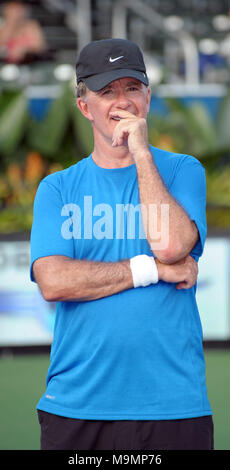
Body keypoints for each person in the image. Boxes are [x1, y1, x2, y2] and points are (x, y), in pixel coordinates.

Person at [30, 38, 213, 450]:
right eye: (106, 91)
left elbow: (170, 246)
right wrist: (153, 271)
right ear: (83, 106)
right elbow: (54, 281)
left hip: (174, 405)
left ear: (147, 97)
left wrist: (142, 155)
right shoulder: (57, 188)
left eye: (132, 88)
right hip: (78, 405)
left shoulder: (184, 170)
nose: (122, 101)